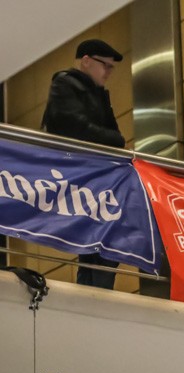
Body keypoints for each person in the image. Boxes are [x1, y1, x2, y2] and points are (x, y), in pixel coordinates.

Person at [41, 39, 125, 289]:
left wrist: (109, 139)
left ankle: (93, 289)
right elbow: (74, 127)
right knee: (97, 238)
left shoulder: (98, 94)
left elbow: (115, 138)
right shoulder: (66, 83)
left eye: (111, 67)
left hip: (92, 176)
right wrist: (109, 139)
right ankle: (94, 289)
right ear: (86, 61)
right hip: (73, 173)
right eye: (105, 65)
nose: (108, 72)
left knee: (101, 240)